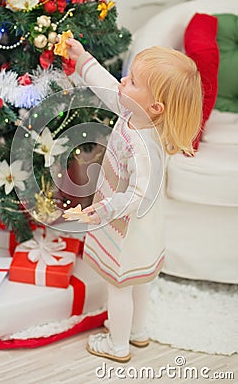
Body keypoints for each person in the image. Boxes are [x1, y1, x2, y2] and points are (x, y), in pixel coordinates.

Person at [65, 38, 203, 362]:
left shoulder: (143, 147)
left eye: (133, 81)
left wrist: (100, 209)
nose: (123, 81)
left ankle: (117, 345)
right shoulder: (135, 113)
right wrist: (83, 57)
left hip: (127, 229)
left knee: (120, 287)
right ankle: (138, 333)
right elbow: (107, 86)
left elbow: (137, 194)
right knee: (140, 281)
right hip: (146, 230)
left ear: (155, 106)